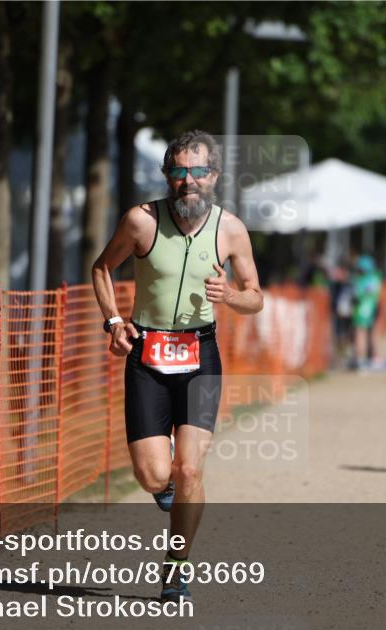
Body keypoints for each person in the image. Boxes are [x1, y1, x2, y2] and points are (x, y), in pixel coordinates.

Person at [91, 130, 263, 602]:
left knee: (190, 470)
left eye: (198, 172)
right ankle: (166, 488)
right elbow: (101, 268)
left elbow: (256, 297)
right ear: (167, 176)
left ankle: (176, 564)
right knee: (152, 476)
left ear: (215, 176)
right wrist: (113, 322)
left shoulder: (231, 230)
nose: (189, 181)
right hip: (146, 353)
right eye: (179, 172)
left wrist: (231, 296)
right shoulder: (141, 221)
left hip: (199, 355)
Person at [350, 254, 382, 370]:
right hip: (372, 308)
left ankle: (360, 359)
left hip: (361, 310)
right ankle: (374, 357)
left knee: (360, 334)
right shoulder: (375, 278)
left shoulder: (358, 280)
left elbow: (355, 296)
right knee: (373, 334)